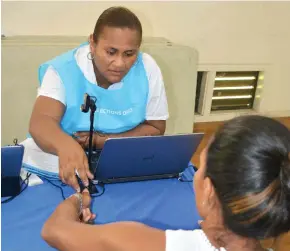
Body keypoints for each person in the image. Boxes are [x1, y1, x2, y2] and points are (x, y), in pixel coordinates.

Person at [41, 115, 290, 251]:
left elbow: (54, 231)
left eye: (200, 167)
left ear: (209, 191)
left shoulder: (147, 243)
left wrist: (77, 199)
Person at [28, 6, 169, 191]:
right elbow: (40, 122)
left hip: (123, 158)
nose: (119, 63)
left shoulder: (148, 68)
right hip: (60, 158)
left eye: (129, 54)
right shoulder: (62, 70)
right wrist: (66, 145)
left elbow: (156, 128)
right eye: (111, 52)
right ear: (92, 44)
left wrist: (103, 141)